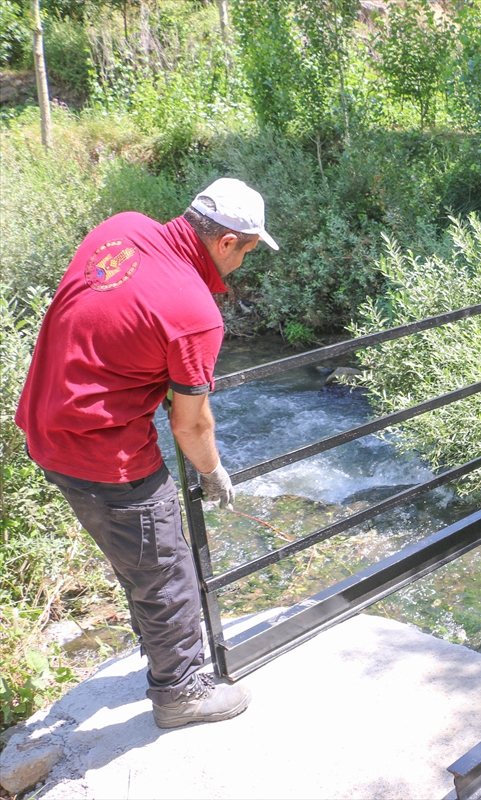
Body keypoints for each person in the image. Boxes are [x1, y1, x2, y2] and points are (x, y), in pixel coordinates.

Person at [16, 178, 278, 728]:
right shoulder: (195, 313)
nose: (245, 262)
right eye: (249, 249)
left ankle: (157, 650)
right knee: (165, 565)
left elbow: (106, 323)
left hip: (45, 425)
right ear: (227, 242)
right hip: (101, 450)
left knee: (137, 557)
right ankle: (180, 691)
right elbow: (191, 424)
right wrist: (213, 471)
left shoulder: (121, 230)